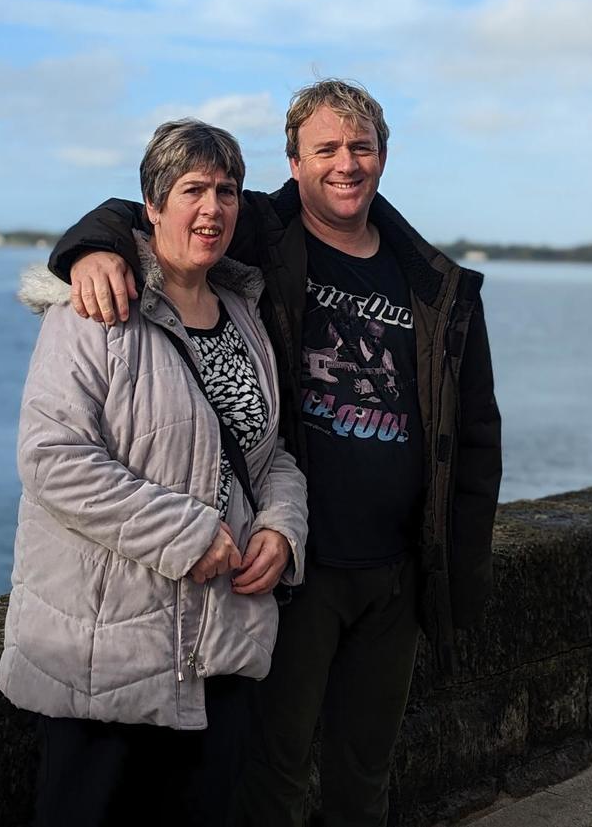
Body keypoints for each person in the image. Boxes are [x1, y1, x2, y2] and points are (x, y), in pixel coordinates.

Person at [49, 80, 502, 827]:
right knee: (272, 775)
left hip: (394, 573)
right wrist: (91, 248)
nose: (346, 164)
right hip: (293, 571)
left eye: (360, 147)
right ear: (293, 162)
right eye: (326, 148)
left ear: (383, 157)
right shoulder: (261, 233)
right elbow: (152, 213)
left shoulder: (436, 282)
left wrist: (461, 572)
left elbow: (475, 436)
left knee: (367, 772)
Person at [0, 119, 308, 827]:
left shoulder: (243, 311)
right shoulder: (95, 306)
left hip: (221, 645)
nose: (213, 208)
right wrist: (191, 533)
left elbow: (273, 452)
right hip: (107, 654)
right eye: (193, 189)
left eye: (226, 190)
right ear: (153, 205)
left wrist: (282, 529)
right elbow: (53, 456)